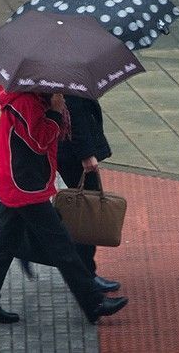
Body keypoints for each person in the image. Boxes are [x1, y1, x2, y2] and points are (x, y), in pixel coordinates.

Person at [0, 86, 128, 324]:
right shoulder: (25, 102)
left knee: (3, 245)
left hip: (19, 180)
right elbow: (39, 141)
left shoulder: (24, 96)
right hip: (24, 185)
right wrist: (55, 112)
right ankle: (93, 302)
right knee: (62, 244)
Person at [57, 95, 121, 293]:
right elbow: (75, 112)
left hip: (65, 149)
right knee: (87, 211)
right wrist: (86, 154)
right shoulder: (67, 72)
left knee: (83, 209)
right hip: (73, 153)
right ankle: (86, 275)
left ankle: (84, 272)